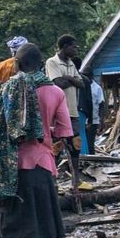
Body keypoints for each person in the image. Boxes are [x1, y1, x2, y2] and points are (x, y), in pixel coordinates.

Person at [0, 43, 70, 238]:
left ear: (17, 64)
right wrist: (44, 129)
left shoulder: (8, 88)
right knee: (38, 228)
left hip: (6, 165)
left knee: (2, 224)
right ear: (41, 65)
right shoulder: (55, 92)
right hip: (40, 164)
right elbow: (64, 131)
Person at [44, 34, 87, 187]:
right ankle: (52, 180)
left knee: (75, 144)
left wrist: (68, 78)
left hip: (72, 110)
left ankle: (76, 179)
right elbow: (57, 83)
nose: (75, 50)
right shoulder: (52, 62)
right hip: (56, 111)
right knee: (56, 146)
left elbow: (82, 84)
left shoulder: (70, 63)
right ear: (65, 47)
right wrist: (71, 79)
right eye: (73, 47)